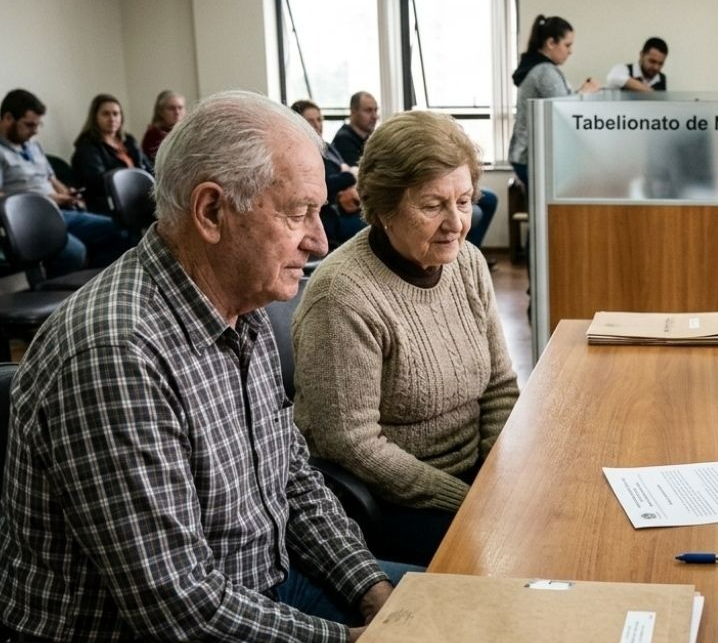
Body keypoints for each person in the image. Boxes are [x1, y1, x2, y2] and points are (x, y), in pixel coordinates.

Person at [0, 90, 412, 641]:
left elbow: (292, 479)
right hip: (157, 630)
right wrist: (358, 640)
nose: (317, 241)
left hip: (259, 587)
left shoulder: (241, 305)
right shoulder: (118, 352)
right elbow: (179, 608)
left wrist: (373, 593)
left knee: (461, 612)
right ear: (212, 211)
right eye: (298, 213)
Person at [292, 110, 519, 565]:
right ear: (383, 206)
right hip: (394, 503)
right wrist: (468, 500)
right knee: (519, 559)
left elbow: (499, 387)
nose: (456, 223)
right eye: (433, 206)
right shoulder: (343, 295)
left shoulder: (468, 263)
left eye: (463, 201)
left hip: (474, 480)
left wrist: (500, 480)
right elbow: (352, 444)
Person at [0, 88, 130, 275]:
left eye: (38, 125)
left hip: (60, 211)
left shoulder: (33, 145)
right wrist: (50, 199)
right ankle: (52, 292)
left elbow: (51, 178)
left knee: (117, 230)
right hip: (30, 220)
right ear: (8, 118)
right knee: (74, 253)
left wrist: (66, 195)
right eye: (29, 125)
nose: (35, 131)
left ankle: (94, 284)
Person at [508, 14, 599, 187]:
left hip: (524, 155)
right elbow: (563, 111)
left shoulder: (537, 66)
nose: (570, 51)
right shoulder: (545, 71)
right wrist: (585, 93)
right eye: (567, 45)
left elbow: (559, 101)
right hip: (531, 157)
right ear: (551, 43)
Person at [291, 98, 367, 249]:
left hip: (346, 208)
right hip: (328, 216)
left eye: (319, 119)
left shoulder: (327, 147)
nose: (317, 125)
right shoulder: (300, 152)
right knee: (375, 225)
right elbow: (324, 185)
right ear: (298, 123)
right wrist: (349, 175)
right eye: (310, 121)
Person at [71, 92, 153, 216]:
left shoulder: (128, 140)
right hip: (109, 202)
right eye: (105, 114)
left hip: (138, 195)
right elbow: (99, 182)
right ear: (95, 117)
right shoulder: (87, 145)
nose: (112, 118)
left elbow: (147, 166)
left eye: (116, 114)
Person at [332, 91, 379, 165]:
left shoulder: (371, 137)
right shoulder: (343, 140)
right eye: (368, 111)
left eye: (375, 110)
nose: (375, 116)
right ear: (353, 112)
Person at [141, 89, 186, 160]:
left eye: (180, 108)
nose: (177, 112)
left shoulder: (187, 130)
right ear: (160, 112)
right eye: (171, 108)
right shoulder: (153, 134)